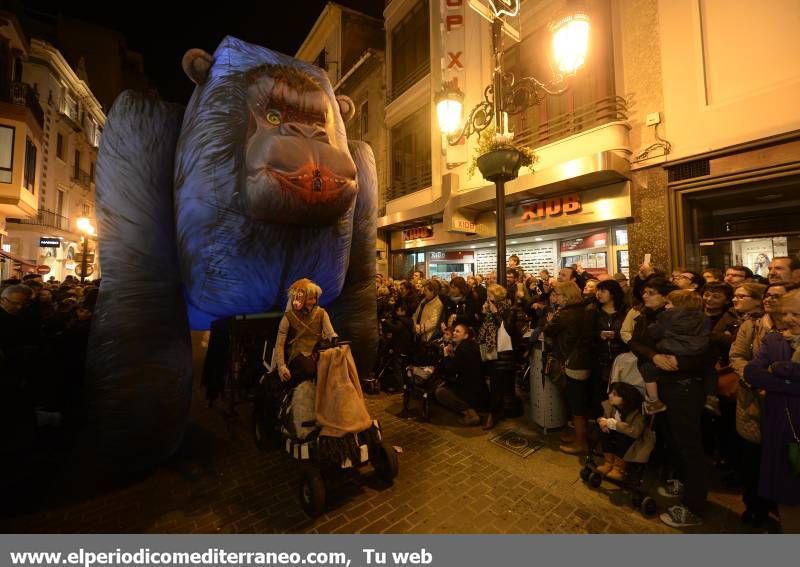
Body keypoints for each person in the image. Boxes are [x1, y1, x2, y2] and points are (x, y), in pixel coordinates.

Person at [743, 289, 800, 533]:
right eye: (784, 313)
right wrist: (789, 384)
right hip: (782, 423)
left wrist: (780, 370)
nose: (789, 318)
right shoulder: (774, 340)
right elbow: (752, 372)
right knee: (785, 489)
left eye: (796, 313)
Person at [639, 290, 710, 415]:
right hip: (692, 369)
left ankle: (654, 401)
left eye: (669, 304)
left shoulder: (667, 318)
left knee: (647, 369)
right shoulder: (704, 320)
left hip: (666, 360)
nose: (666, 306)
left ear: (679, 306)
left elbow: (649, 335)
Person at [543, 281, 591, 454]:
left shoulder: (565, 314)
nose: (556, 298)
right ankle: (577, 435)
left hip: (572, 362)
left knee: (575, 401)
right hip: (582, 360)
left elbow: (549, 330)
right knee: (576, 400)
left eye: (559, 295)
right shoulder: (584, 310)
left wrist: (549, 321)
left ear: (567, 295)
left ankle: (580, 442)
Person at [275, 278, 338, 383]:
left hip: (318, 352)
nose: (312, 302)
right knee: (310, 370)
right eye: (309, 298)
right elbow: (279, 344)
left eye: (314, 298)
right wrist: (281, 366)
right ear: (300, 299)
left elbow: (330, 333)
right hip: (298, 355)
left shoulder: (322, 314)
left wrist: (335, 340)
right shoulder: (288, 318)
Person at [435, 322, 489, 426]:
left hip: (470, 393)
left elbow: (451, 370)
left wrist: (446, 355)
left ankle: (471, 414)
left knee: (440, 392)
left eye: (458, 331)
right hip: (482, 393)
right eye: (454, 331)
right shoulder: (473, 346)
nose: (454, 333)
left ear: (466, 335)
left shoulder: (462, 348)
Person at [597, 382, 646, 481]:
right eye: (611, 392)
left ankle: (618, 468)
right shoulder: (611, 406)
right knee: (604, 432)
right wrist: (602, 421)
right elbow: (603, 417)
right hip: (616, 434)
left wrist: (614, 424)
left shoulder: (637, 413)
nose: (610, 395)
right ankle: (608, 462)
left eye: (615, 394)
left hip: (631, 438)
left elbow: (635, 431)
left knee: (623, 437)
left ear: (625, 398)